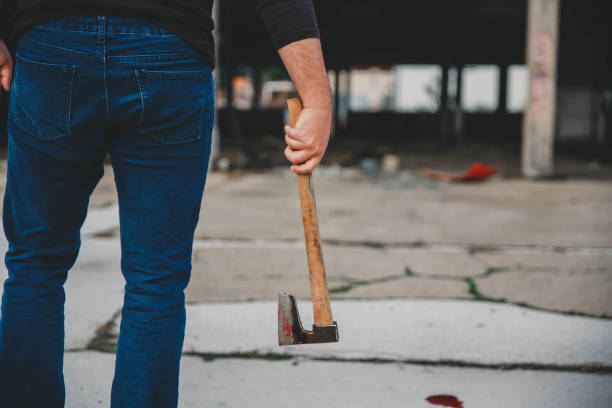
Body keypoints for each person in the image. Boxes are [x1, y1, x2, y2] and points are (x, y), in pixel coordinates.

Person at [0, 0, 331, 406]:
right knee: (155, 279)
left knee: (35, 266)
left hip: (51, 44)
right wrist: (316, 100)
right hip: (168, 52)